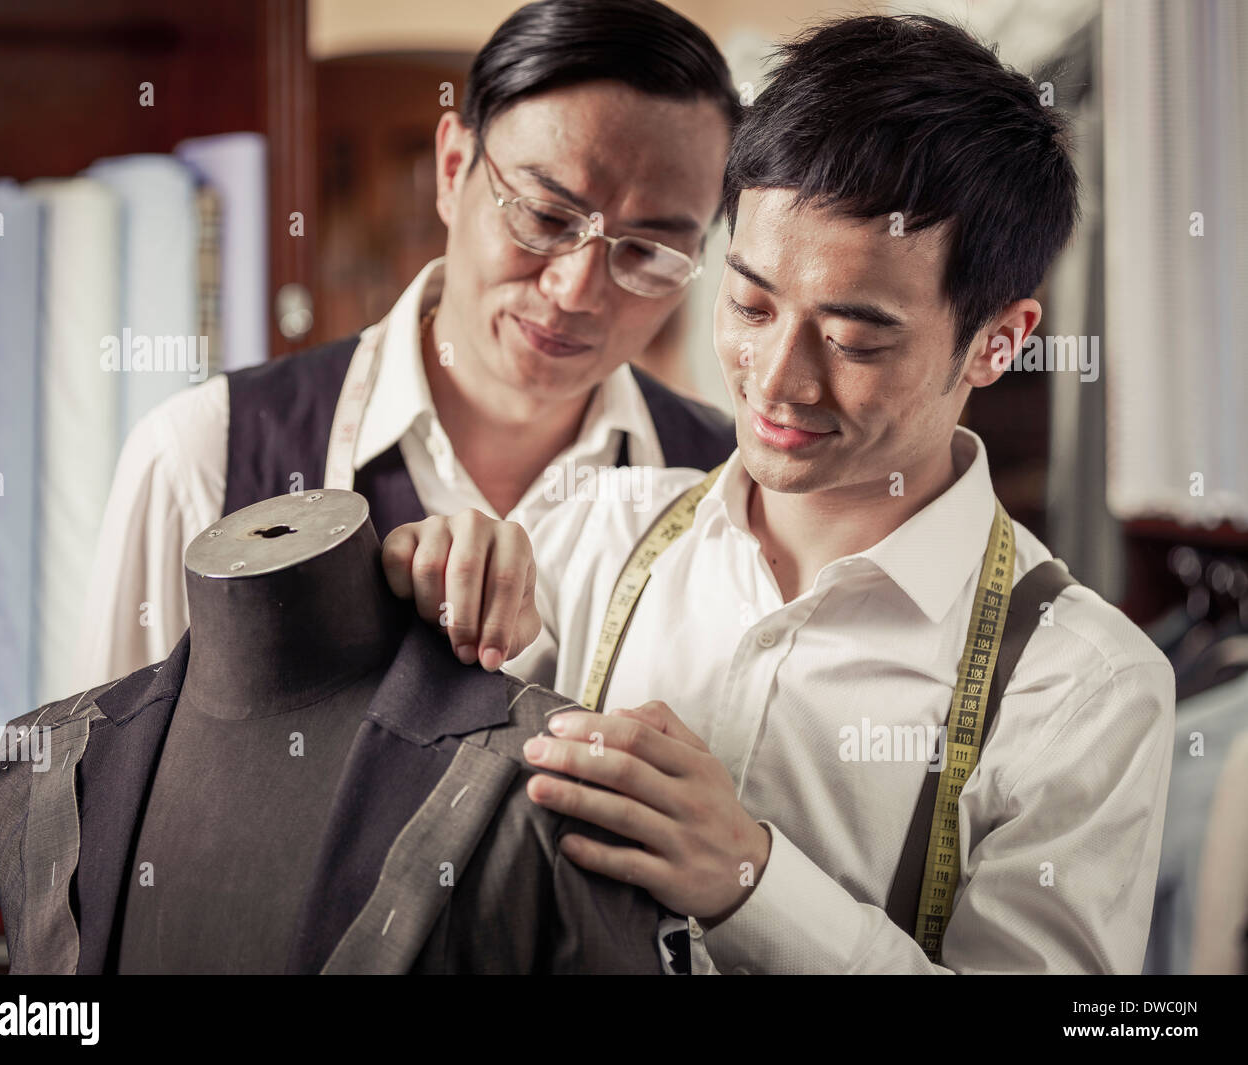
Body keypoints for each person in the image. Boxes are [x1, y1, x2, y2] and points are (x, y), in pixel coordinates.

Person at [381, 14, 1176, 974]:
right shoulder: (582, 531)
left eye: (854, 339)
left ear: (998, 340)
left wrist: (754, 882)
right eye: (751, 303)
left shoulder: (1084, 690)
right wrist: (422, 606)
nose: (776, 378)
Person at [74, 0, 738, 691]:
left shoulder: (731, 494)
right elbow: (112, 790)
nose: (576, 289)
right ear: (452, 168)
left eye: (649, 251)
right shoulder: (204, 456)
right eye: (545, 215)